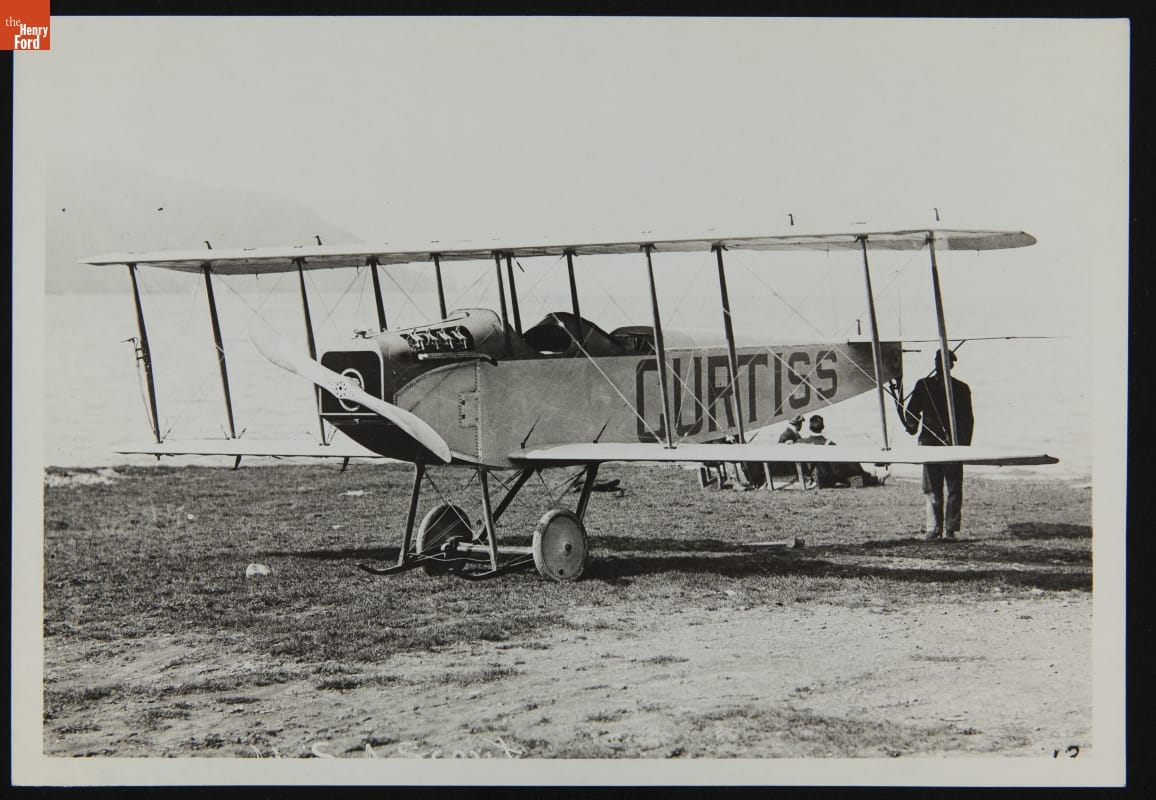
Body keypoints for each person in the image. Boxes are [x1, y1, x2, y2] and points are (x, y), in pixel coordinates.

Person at [902, 350, 974, 540]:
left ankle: (950, 529)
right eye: (938, 361)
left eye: (946, 362)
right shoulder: (923, 385)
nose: (941, 365)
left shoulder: (961, 388)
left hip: (953, 446)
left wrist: (963, 447)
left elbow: (968, 420)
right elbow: (912, 411)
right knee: (931, 489)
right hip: (929, 444)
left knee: (953, 488)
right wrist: (911, 425)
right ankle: (933, 529)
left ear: (951, 365)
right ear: (935, 363)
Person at [800, 415, 877, 488]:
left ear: (809, 427)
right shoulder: (829, 444)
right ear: (823, 427)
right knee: (849, 464)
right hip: (827, 478)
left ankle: (863, 476)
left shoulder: (801, 442)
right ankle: (868, 476)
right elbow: (836, 468)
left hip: (812, 476)